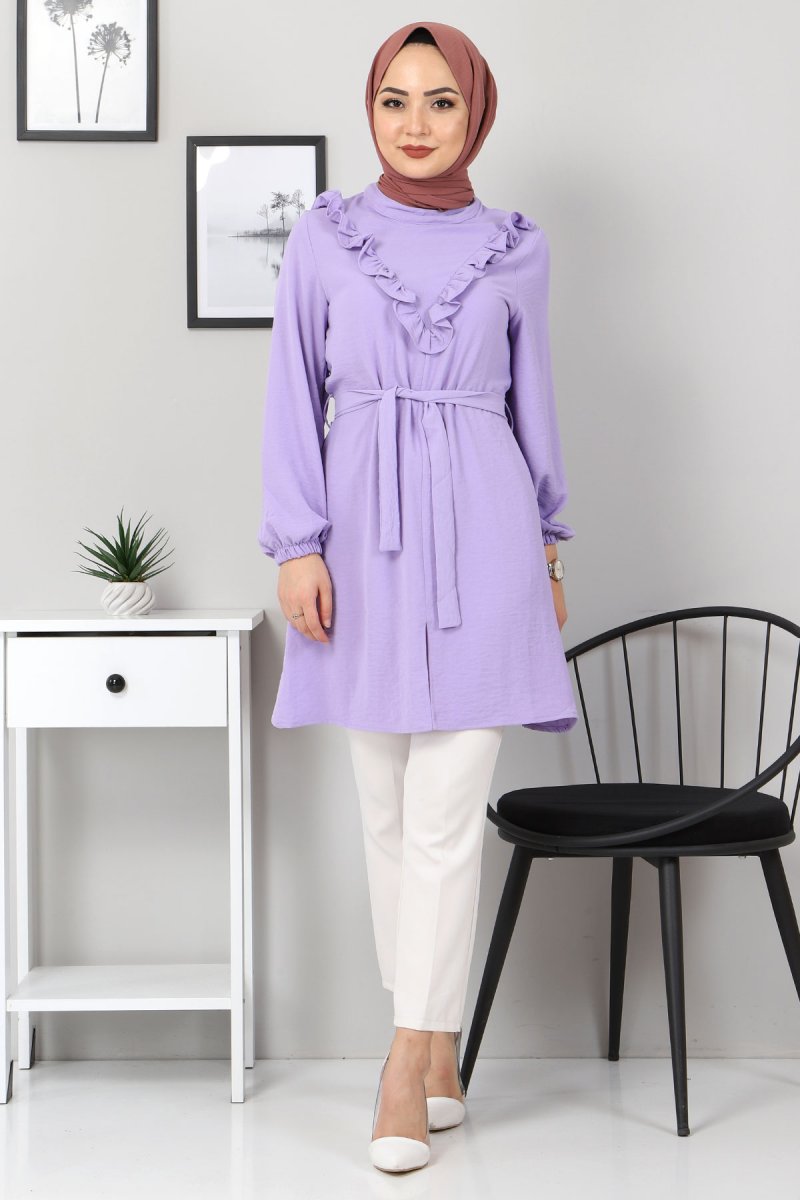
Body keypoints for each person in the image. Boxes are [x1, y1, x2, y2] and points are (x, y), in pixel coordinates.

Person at [258, 20, 577, 1174]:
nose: (414, 122)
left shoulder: (515, 249)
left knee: (445, 811)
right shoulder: (325, 238)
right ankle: (437, 1043)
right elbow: (290, 391)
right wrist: (296, 544)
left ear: (473, 114)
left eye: (441, 101)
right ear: (371, 110)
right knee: (384, 812)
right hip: (359, 541)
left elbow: (532, 404)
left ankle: (401, 1062)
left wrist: (548, 551)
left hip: (484, 535)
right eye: (394, 99)